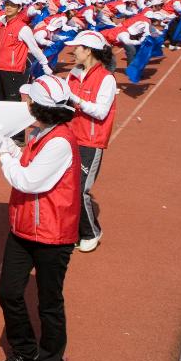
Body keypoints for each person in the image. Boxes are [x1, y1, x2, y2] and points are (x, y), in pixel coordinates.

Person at [0, 74, 80, 361]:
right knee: (10, 292)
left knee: (49, 303)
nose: (26, 103)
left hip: (53, 235)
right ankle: (26, 352)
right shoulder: (42, 133)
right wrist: (9, 150)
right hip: (24, 228)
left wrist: (3, 155)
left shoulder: (59, 142)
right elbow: (26, 160)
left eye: (30, 100)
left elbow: (28, 181)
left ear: (41, 108)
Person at [64, 30, 117, 253]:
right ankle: (73, 231)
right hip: (70, 137)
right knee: (65, 187)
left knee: (79, 189)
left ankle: (91, 231)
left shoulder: (106, 79)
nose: (73, 51)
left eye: (77, 47)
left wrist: (75, 100)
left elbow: (101, 112)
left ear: (89, 51)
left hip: (91, 141)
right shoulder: (74, 73)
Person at [0, 0, 51, 103]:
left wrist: (44, 63)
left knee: (12, 102)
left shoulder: (23, 28)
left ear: (19, 9)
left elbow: (34, 48)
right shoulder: (1, 24)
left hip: (13, 72)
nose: (8, 7)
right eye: (7, 4)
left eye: (13, 5)